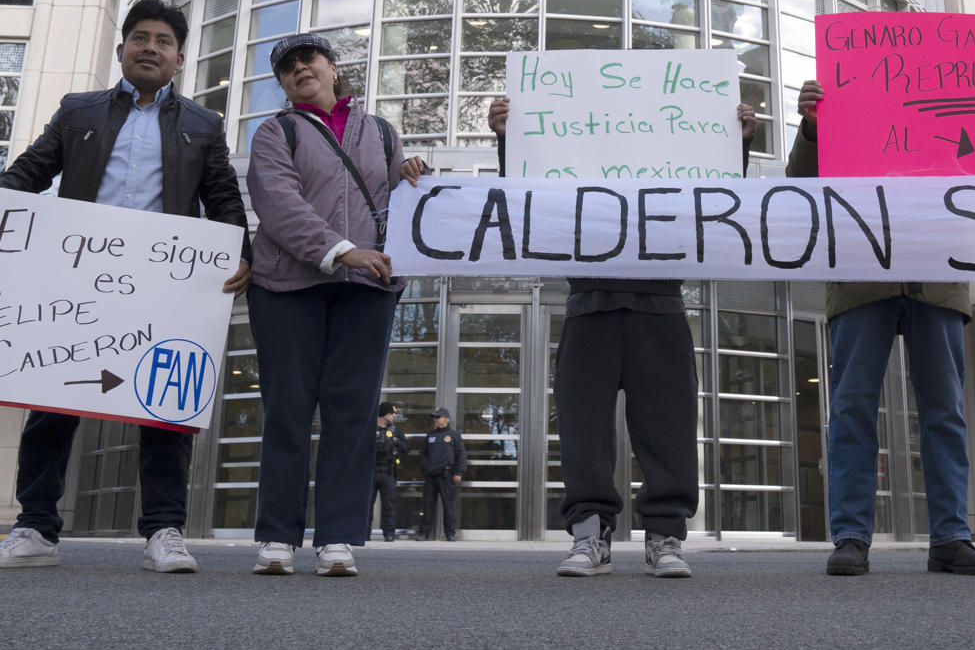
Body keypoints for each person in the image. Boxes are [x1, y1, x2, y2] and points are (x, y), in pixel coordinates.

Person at [0, 0, 249, 573]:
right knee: (52, 400)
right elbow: (28, 172)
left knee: (165, 406)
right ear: (121, 50)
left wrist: (244, 254)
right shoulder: (78, 111)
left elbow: (224, 201)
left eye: (163, 41)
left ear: (179, 58)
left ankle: (164, 532)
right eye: (140, 37)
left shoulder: (203, 125)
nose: (150, 48)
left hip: (162, 283)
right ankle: (35, 528)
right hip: (76, 279)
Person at [789, 75, 975, 577]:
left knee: (945, 412)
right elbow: (802, 186)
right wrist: (811, 129)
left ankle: (951, 536)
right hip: (861, 274)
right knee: (853, 409)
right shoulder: (841, 110)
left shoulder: (957, 101)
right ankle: (851, 534)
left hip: (938, 272)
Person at [487, 96, 758, 579]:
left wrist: (736, 145)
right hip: (589, 306)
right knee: (582, 430)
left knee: (668, 429)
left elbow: (712, 192)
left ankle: (665, 536)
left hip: (661, 308)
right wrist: (511, 140)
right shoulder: (574, 155)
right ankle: (590, 534)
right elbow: (535, 191)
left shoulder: (674, 152)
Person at [245, 32, 427, 578]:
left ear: (332, 69)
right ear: (282, 84)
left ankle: (338, 538)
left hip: (366, 292)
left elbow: (398, 203)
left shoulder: (381, 131)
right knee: (288, 408)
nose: (301, 68)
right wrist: (343, 252)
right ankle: (277, 537)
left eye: (310, 59)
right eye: (288, 66)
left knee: (352, 411)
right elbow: (277, 202)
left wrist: (415, 176)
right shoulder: (276, 131)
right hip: (287, 288)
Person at [418, 407, 466, 541]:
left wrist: (458, 472)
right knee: (427, 505)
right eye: (435, 417)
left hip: (447, 476)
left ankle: (450, 534)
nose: (435, 419)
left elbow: (461, 455)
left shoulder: (454, 435)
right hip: (430, 476)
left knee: (448, 506)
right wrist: (425, 467)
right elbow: (423, 453)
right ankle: (424, 533)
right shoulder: (430, 435)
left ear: (446, 418)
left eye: (438, 417)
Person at [370, 401, 408, 541]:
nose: (393, 416)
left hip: (388, 471)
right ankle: (364, 534)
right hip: (372, 471)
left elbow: (406, 449)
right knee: (368, 504)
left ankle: (389, 533)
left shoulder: (396, 431)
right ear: (384, 413)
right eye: (391, 413)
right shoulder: (370, 428)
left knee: (389, 504)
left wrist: (397, 441)